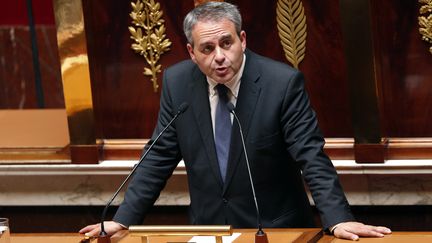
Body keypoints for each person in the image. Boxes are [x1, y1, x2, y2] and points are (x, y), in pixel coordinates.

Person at [80, 2, 391, 240]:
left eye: (226, 43)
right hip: (210, 232)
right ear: (191, 52)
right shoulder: (178, 84)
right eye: (207, 48)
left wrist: (337, 218)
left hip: (275, 232)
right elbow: (158, 156)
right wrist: (123, 218)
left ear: (242, 39)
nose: (219, 56)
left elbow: (311, 156)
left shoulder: (281, 83)